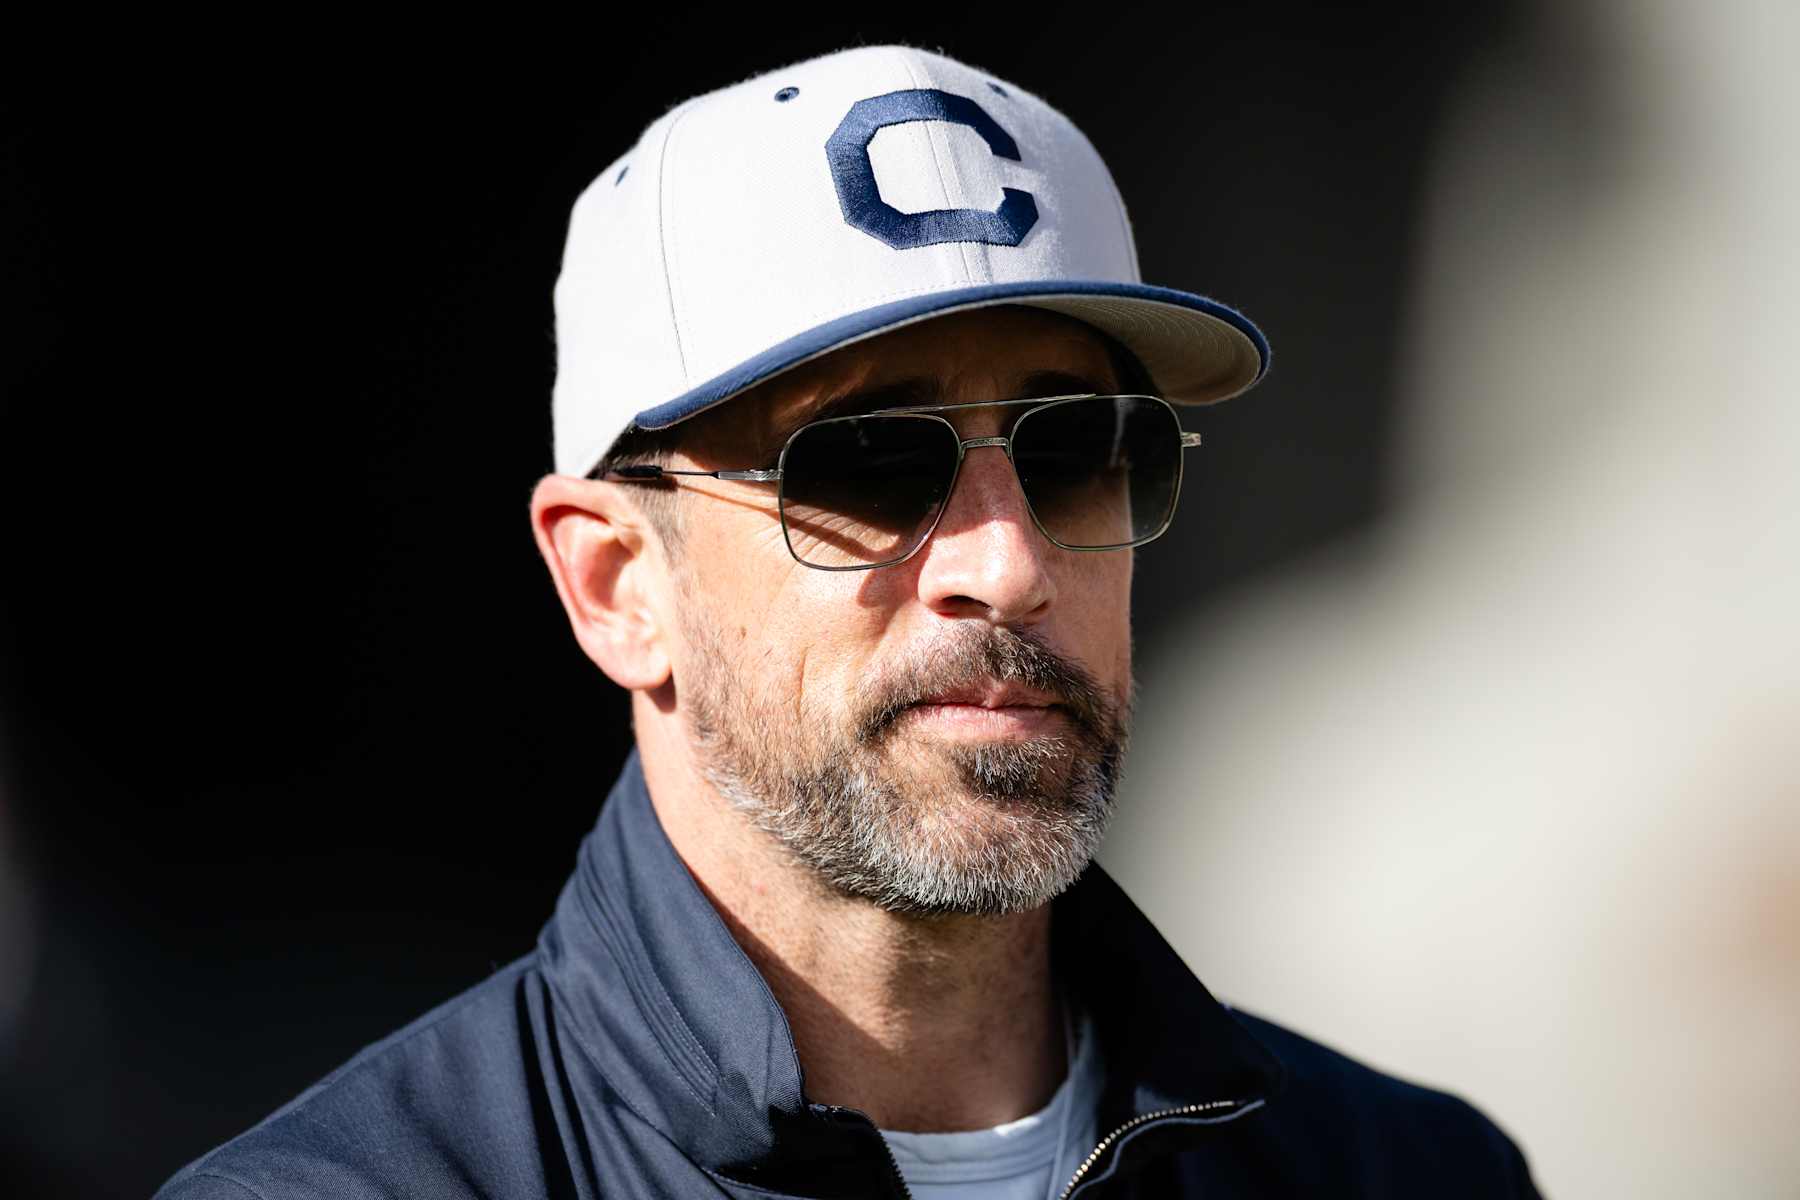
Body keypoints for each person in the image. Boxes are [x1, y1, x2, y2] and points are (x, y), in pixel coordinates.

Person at [156, 44, 1539, 1199]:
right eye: (869, 462)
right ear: (616, 585)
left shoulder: (1409, 1174)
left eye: (1076, 449)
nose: (1006, 562)